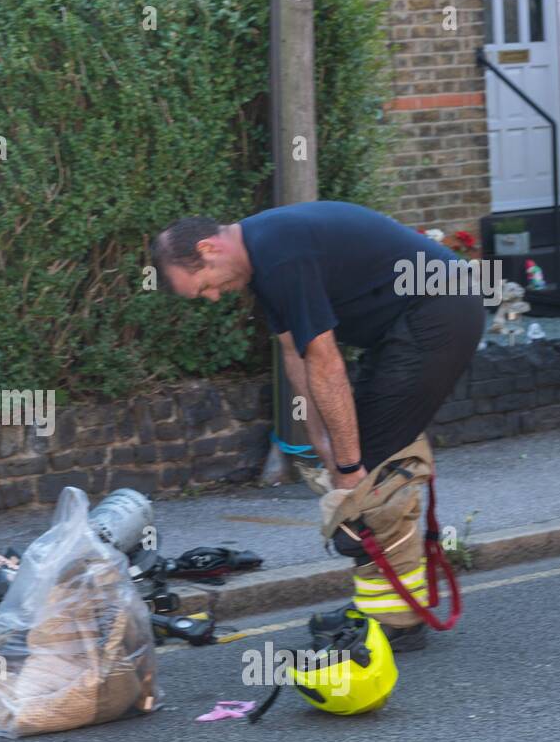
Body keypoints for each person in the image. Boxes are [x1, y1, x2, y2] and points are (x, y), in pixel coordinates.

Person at [150, 201, 485, 651]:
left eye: (204, 286)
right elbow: (296, 356)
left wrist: (347, 469)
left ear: (209, 249)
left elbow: (327, 363)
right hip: (418, 315)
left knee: (371, 465)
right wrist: (322, 443)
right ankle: (386, 604)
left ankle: (397, 621)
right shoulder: (263, 260)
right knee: (367, 457)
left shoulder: (279, 255)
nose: (212, 297)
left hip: (442, 309)